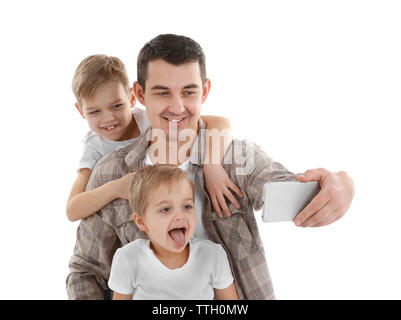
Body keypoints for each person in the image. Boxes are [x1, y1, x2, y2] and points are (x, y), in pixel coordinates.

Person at [66, 34, 355, 300]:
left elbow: (289, 190)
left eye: (189, 92)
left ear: (205, 91)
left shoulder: (236, 157)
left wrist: (341, 183)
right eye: (163, 93)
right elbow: (86, 271)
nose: (177, 107)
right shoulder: (111, 173)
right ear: (140, 95)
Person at [66, 54, 242, 222]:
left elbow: (220, 123)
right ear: (81, 111)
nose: (108, 118)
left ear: (132, 97)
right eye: (94, 111)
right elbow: (72, 210)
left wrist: (212, 165)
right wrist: (116, 189)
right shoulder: (95, 147)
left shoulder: (148, 119)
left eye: (117, 106)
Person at [108, 164, 239, 300]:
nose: (180, 216)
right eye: (165, 209)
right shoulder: (128, 258)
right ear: (141, 222)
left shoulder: (213, 255)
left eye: (187, 206)